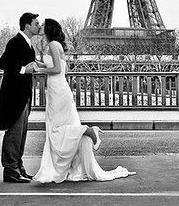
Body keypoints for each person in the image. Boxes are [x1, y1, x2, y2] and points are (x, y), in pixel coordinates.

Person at [33, 18, 135, 184]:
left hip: (57, 90)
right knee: (61, 125)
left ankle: (87, 131)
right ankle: (79, 147)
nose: (40, 26)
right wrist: (38, 64)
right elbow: (60, 69)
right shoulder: (55, 45)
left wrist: (39, 69)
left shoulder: (52, 45)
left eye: (43, 24)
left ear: (49, 28)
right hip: (58, 88)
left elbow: (57, 69)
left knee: (55, 129)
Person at [0, 12, 42, 183]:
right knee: (15, 133)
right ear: (27, 25)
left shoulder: (27, 43)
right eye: (36, 23)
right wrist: (23, 69)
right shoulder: (16, 41)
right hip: (15, 96)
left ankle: (17, 167)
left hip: (23, 95)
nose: (39, 26)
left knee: (20, 133)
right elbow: (3, 63)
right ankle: (10, 169)